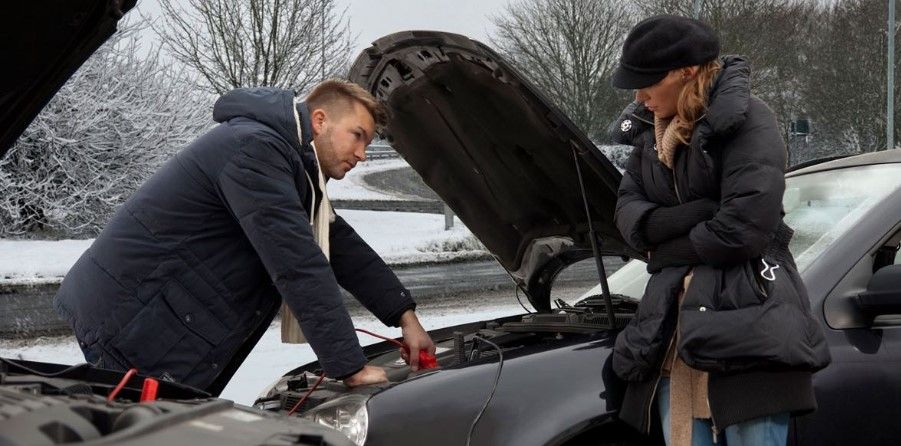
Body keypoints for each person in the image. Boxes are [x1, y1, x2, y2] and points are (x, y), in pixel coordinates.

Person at [54, 80, 435, 394]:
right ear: (319, 120)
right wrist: (351, 367)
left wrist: (404, 315)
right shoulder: (254, 149)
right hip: (133, 320)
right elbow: (298, 263)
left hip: (157, 315)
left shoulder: (290, 165)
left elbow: (341, 246)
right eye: (358, 136)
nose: (363, 154)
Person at [608, 15, 829, 446]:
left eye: (647, 82)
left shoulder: (750, 121)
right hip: (673, 336)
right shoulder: (649, 139)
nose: (639, 97)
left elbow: (742, 230)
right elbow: (628, 217)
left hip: (752, 332)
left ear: (686, 72)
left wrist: (668, 251)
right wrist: (701, 212)